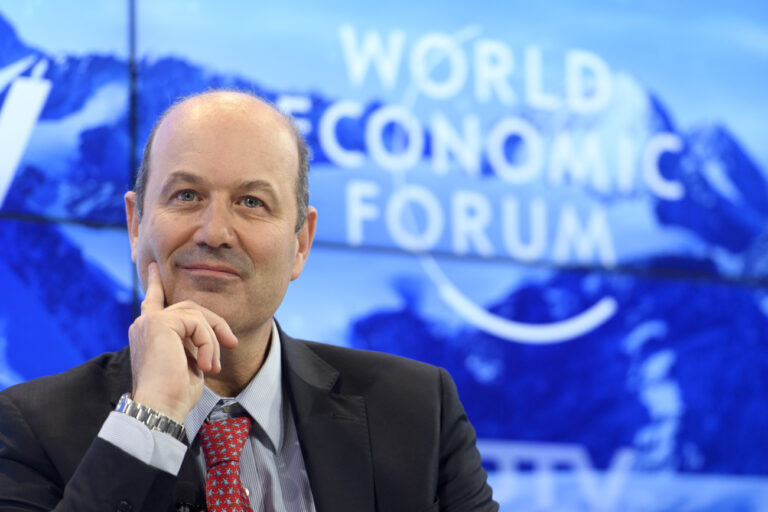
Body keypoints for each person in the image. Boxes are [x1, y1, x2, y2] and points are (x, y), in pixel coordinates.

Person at [0, 90, 498, 511]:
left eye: (252, 202)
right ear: (135, 225)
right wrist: (150, 418)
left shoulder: (417, 412)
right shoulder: (26, 429)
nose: (215, 232)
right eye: (186, 196)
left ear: (300, 243)